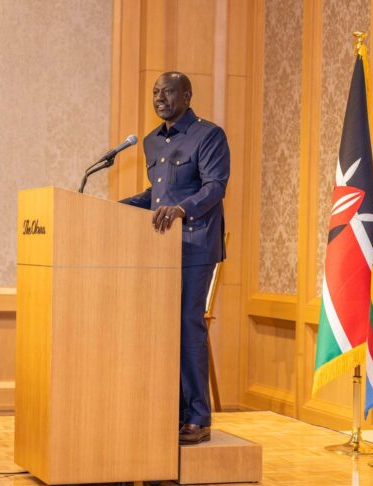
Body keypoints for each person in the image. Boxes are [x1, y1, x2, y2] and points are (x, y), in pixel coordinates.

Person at [120, 71, 230, 445]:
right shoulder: (151, 142)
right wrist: (118, 207)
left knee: (187, 324)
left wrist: (184, 209)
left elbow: (215, 186)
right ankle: (171, 409)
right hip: (159, 250)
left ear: (187, 95)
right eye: (154, 92)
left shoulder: (209, 135)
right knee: (162, 328)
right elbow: (158, 193)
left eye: (167, 91)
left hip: (197, 245)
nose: (159, 97)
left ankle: (198, 416)